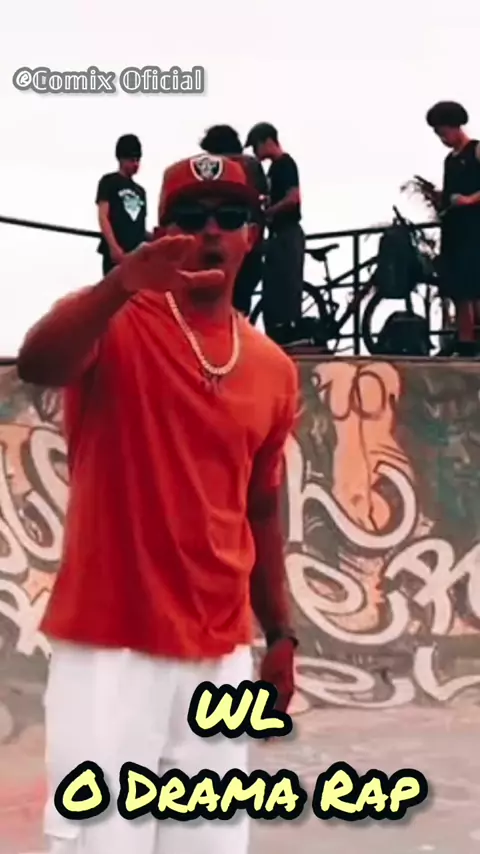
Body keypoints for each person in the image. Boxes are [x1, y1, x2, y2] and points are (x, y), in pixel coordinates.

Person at [17, 152, 298, 854]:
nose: (210, 231)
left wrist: (281, 634)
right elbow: (39, 365)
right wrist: (119, 284)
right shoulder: (114, 320)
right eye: (190, 218)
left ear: (253, 234)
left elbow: (261, 507)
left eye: (230, 217)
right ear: (163, 232)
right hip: (112, 645)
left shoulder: (272, 368)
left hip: (219, 651)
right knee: (100, 841)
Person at [426, 101, 480, 356]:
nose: (443, 139)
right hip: (455, 229)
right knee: (459, 289)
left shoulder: (475, 150)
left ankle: (473, 337)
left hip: (474, 228)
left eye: (444, 132)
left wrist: (470, 200)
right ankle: (465, 341)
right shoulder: (450, 160)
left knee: (473, 285)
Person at [199, 124, 268, 316]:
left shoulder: (218, 168)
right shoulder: (252, 165)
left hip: (222, 248)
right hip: (250, 243)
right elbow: (263, 199)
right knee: (241, 303)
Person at [245, 122, 305, 341]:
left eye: (256, 146)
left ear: (267, 141)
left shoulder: (286, 164)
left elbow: (293, 198)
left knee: (286, 286)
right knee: (275, 285)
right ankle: (279, 332)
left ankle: (290, 332)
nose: (255, 153)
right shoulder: (274, 169)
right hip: (278, 233)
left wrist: (270, 211)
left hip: (287, 232)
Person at [96, 134, 148, 277]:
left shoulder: (141, 191)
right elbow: (103, 216)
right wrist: (113, 247)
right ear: (121, 159)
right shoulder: (108, 182)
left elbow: (140, 226)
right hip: (116, 253)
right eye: (131, 160)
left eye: (138, 160)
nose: (136, 164)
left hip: (136, 256)